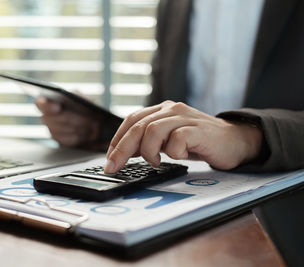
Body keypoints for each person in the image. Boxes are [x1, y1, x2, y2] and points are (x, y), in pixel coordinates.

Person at [36, 0, 304, 174]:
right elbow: (163, 111)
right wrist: (100, 131)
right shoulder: (173, 5)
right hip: (185, 201)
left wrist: (246, 137)